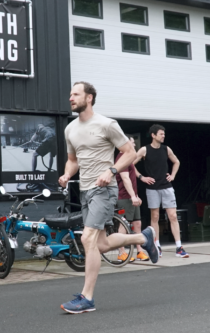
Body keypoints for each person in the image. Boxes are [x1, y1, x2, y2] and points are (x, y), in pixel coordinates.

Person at [59, 82, 160, 314]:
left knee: (88, 239)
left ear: (90, 98)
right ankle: (143, 239)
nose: (71, 98)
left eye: (76, 94)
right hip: (85, 190)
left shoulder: (107, 124)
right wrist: (66, 174)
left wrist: (112, 171)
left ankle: (87, 297)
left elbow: (130, 153)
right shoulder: (70, 129)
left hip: (104, 190)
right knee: (101, 244)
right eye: (70, 94)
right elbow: (73, 160)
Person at [136, 125, 188, 258]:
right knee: (155, 217)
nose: (163, 136)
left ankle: (179, 247)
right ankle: (156, 245)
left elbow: (176, 162)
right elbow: (130, 164)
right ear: (153, 135)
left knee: (173, 216)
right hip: (152, 188)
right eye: (161, 134)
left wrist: (173, 175)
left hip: (167, 186)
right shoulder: (144, 150)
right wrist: (142, 177)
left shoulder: (166, 149)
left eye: (164, 134)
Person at [114, 149, 149, 262]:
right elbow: (125, 179)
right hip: (124, 197)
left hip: (131, 197)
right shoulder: (122, 158)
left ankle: (139, 251)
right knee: (124, 225)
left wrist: (136, 195)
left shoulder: (129, 159)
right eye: (131, 143)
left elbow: (133, 178)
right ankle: (121, 252)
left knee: (137, 223)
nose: (133, 145)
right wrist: (133, 196)